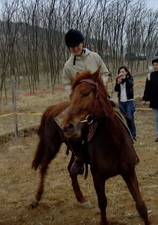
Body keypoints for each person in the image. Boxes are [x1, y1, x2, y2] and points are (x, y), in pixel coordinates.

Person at [62, 29, 111, 174]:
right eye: (72, 47)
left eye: (77, 45)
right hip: (82, 104)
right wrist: (74, 96)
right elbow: (66, 84)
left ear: (82, 43)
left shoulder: (94, 57)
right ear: (69, 48)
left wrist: (102, 85)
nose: (76, 49)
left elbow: (105, 73)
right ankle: (79, 158)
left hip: (100, 98)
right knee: (69, 128)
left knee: (120, 112)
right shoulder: (68, 66)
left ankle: (129, 146)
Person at [114, 66, 136, 139]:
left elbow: (130, 85)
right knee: (123, 118)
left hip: (129, 101)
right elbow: (116, 89)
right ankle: (126, 134)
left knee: (130, 118)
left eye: (123, 72)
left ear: (126, 72)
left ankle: (133, 134)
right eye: (120, 72)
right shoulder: (118, 79)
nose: (121, 73)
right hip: (121, 102)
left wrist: (125, 79)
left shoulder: (129, 78)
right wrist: (118, 82)